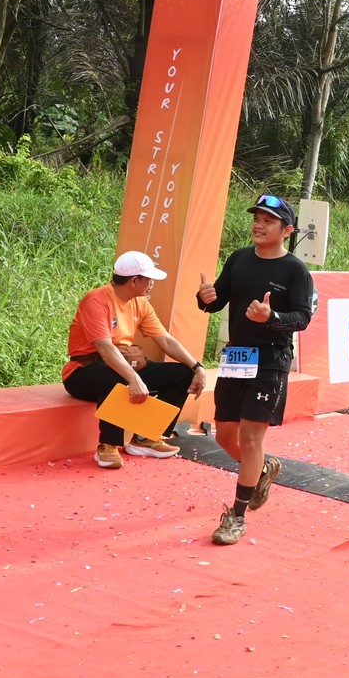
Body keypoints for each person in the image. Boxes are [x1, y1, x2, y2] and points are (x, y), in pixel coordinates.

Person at [196, 193, 317, 545]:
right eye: (257, 219)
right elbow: (217, 300)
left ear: (287, 230)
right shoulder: (239, 259)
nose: (259, 225)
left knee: (251, 437)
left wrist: (272, 316)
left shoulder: (295, 270)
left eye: (268, 221)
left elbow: (302, 317)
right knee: (224, 435)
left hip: (271, 360)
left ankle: (236, 516)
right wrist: (205, 298)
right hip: (237, 355)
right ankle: (262, 469)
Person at [61, 251, 209, 469]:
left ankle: (145, 438)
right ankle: (107, 445)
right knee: (117, 374)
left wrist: (197, 367)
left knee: (183, 374)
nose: (152, 284)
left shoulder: (140, 303)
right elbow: (105, 347)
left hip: (120, 366)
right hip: (82, 373)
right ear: (134, 281)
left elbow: (166, 340)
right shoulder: (97, 300)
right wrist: (133, 378)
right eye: (149, 279)